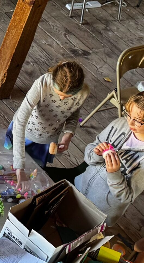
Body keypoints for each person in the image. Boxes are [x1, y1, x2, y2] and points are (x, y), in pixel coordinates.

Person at [75, 90, 144, 225]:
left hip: (99, 210)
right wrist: (96, 154)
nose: (130, 123)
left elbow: (126, 197)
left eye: (138, 121)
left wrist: (114, 173)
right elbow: (90, 153)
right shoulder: (120, 124)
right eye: (128, 114)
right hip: (79, 186)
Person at [6, 61, 89, 189]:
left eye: (67, 96)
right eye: (59, 94)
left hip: (46, 141)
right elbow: (20, 122)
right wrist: (19, 167)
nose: (62, 99)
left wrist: (68, 135)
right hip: (23, 132)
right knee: (7, 164)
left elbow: (73, 114)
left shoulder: (83, 93)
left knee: (33, 173)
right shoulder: (42, 84)